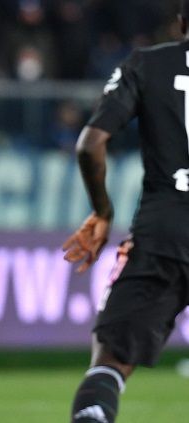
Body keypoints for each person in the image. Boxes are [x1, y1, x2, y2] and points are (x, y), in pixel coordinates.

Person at [62, 2, 189, 422]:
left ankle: (95, 411)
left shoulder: (148, 63)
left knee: (109, 363)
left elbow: (90, 144)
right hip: (164, 231)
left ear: (181, 22)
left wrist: (103, 212)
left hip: (163, 232)